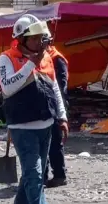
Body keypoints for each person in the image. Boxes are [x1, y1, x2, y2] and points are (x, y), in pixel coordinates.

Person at [0, 14, 68, 204]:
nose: (38, 42)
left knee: (30, 176)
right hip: (22, 128)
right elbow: (8, 87)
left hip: (46, 126)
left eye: (40, 38)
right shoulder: (6, 59)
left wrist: (62, 117)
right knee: (35, 176)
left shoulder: (47, 59)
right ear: (21, 39)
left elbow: (54, 89)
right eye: (34, 38)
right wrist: (30, 65)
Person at [44, 35, 69, 188]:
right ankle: (43, 175)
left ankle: (59, 175)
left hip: (55, 106)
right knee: (43, 144)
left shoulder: (56, 59)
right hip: (45, 107)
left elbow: (61, 86)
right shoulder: (39, 58)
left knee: (54, 143)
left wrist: (61, 114)